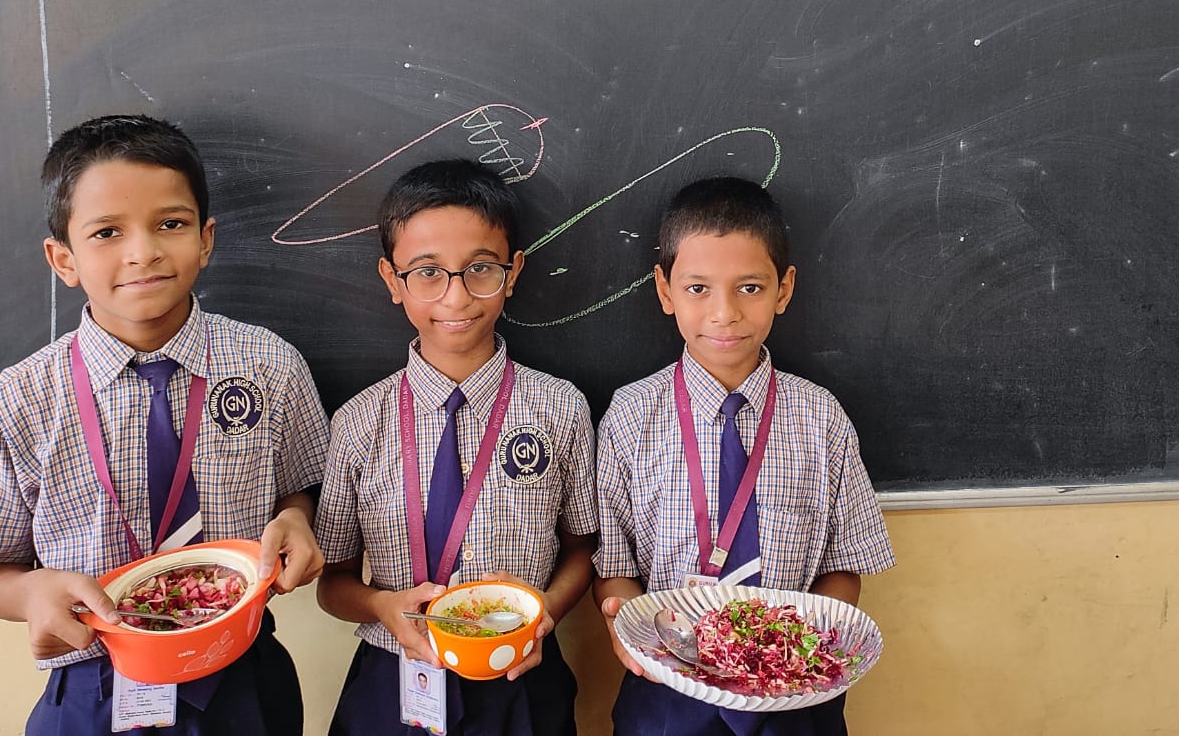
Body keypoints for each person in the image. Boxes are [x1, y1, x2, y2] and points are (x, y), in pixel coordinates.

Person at [0, 114, 329, 735]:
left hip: (243, 674)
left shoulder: (269, 365)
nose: (143, 251)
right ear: (63, 259)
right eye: (107, 232)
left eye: (171, 224)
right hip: (96, 684)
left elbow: (299, 488)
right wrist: (31, 594)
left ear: (206, 239)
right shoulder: (18, 402)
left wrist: (297, 518)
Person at [593, 177, 895, 736]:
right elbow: (615, 567)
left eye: (750, 288)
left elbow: (843, 565)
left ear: (784, 289)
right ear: (665, 291)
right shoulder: (630, 417)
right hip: (667, 687)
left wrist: (804, 655)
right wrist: (625, 629)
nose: (724, 313)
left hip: (794, 696)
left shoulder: (821, 417)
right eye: (698, 288)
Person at [316, 159, 598, 735]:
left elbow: (581, 549)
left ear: (513, 272)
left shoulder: (560, 408)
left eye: (480, 269)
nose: (456, 295)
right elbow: (333, 582)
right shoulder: (358, 422)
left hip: (520, 673)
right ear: (392, 279)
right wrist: (380, 606)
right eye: (427, 272)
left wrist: (545, 613)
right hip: (394, 678)